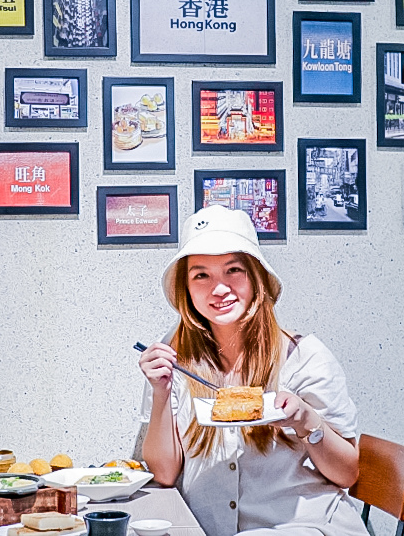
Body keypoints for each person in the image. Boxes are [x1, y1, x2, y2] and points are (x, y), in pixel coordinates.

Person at [138, 205, 366, 536]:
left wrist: (306, 419)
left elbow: (347, 474)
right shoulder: (174, 357)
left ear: (256, 277)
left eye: (233, 270)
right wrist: (160, 392)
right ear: (186, 288)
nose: (218, 289)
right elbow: (164, 474)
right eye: (201, 274)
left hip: (309, 527)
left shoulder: (303, 357)